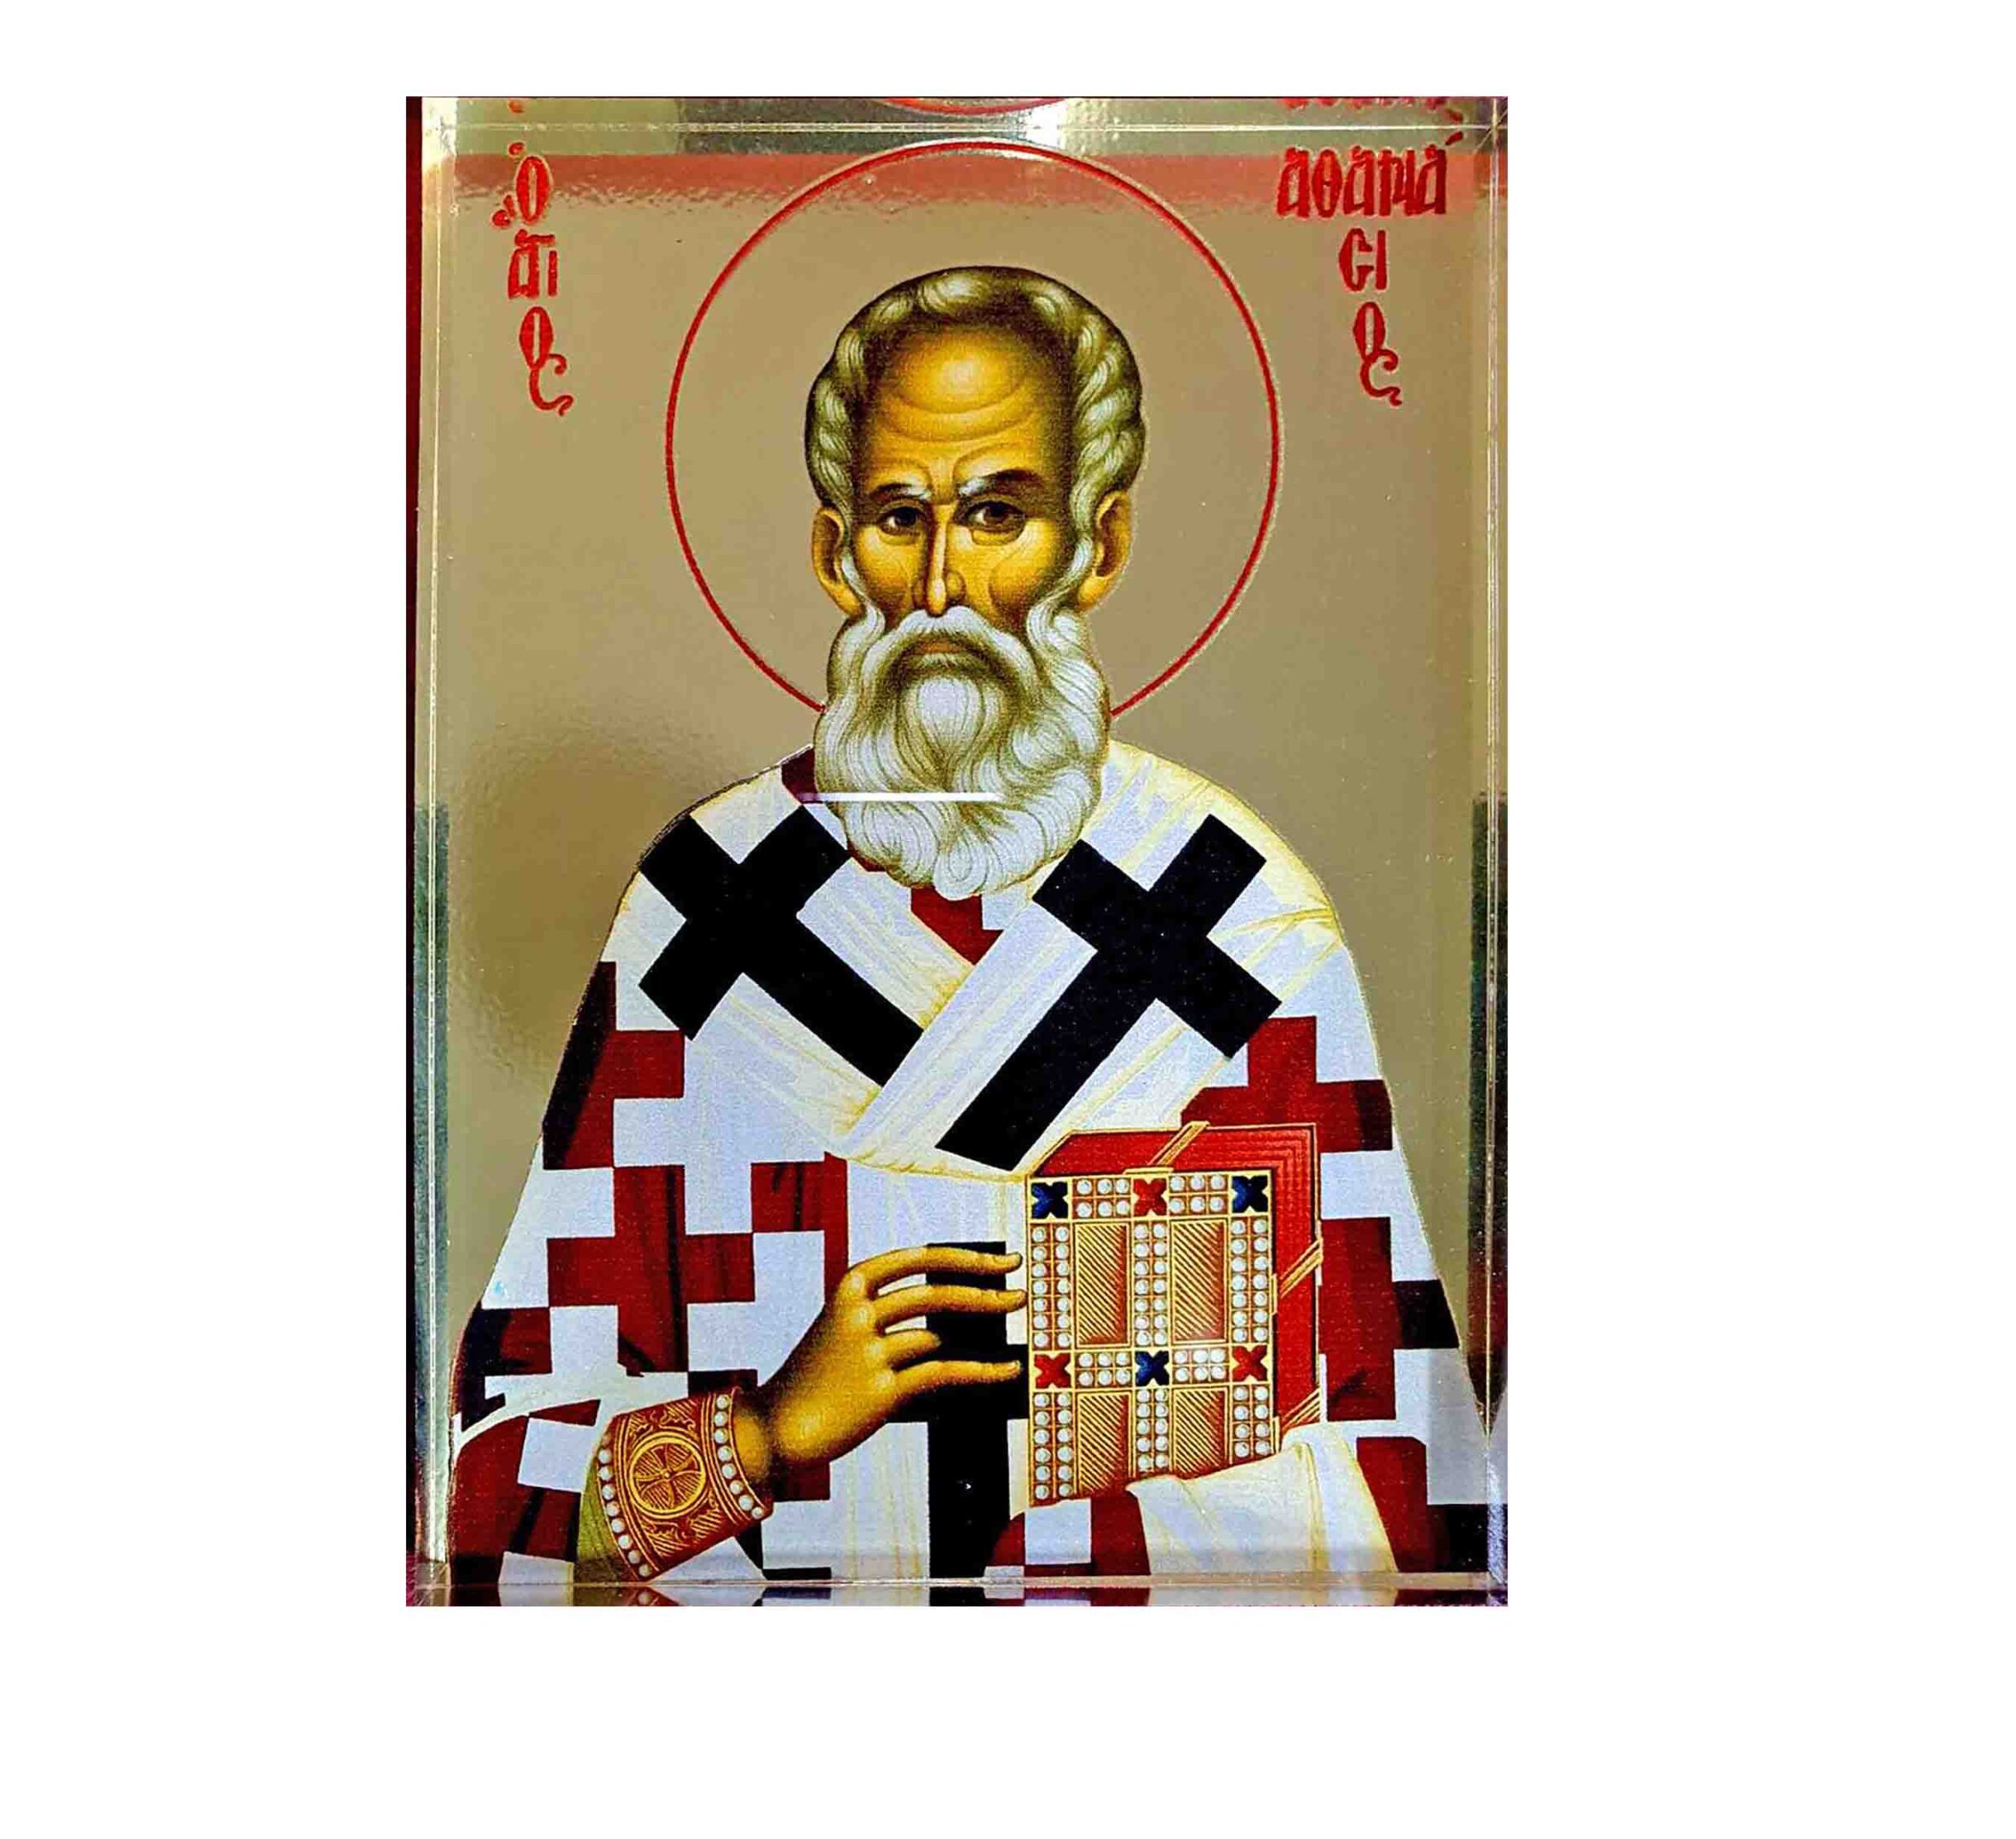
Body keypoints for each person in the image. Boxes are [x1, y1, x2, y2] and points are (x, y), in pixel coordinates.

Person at [447, 266, 1490, 1601]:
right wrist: (763, 1433)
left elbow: (1403, 1474)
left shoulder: (1238, 921)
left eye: (1000, 513)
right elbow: (489, 1490)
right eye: (901, 518)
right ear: (836, 554)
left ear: (1099, 544)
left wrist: (1080, 1484)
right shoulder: (703, 915)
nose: (943, 585)